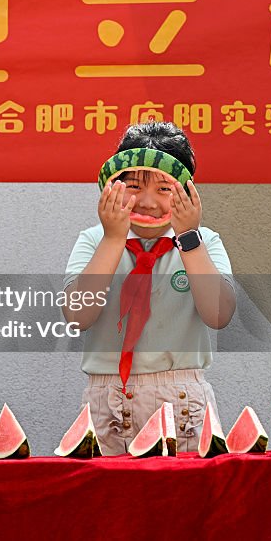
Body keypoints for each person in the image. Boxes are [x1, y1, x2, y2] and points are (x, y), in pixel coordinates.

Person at [63, 121, 236, 455]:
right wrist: (113, 238)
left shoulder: (204, 242)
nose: (147, 201)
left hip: (183, 402)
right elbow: (77, 316)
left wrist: (189, 239)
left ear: (187, 192)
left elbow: (219, 316)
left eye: (164, 188)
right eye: (134, 186)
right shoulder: (93, 241)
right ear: (112, 186)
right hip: (107, 402)